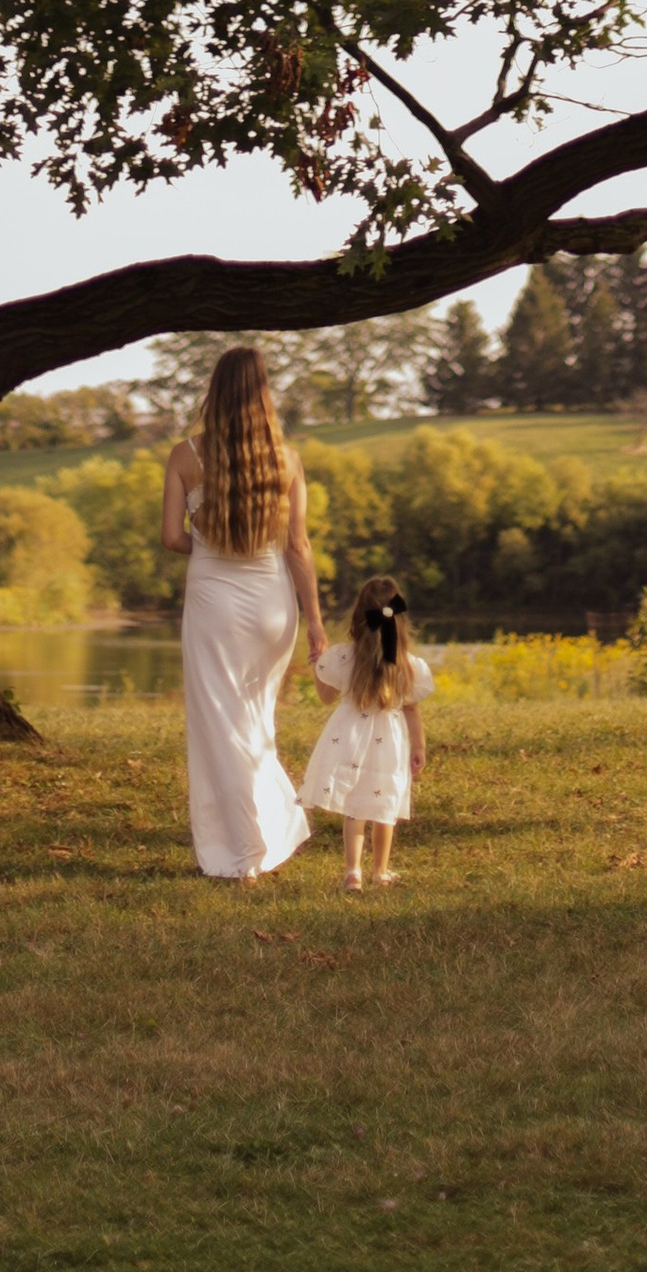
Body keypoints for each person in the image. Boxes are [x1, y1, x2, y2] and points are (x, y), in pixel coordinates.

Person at [162, 345, 321, 882]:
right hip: (272, 605)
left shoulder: (186, 456)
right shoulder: (286, 459)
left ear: (215, 391)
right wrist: (317, 623)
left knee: (220, 724)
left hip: (214, 604)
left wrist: (207, 552)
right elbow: (297, 547)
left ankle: (244, 849)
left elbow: (170, 537)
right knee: (254, 722)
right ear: (263, 392)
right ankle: (263, 835)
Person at [301, 574, 432, 892]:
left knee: (354, 806)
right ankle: (380, 871)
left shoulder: (344, 657)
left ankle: (352, 872)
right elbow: (412, 709)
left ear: (358, 615)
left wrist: (318, 665)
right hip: (389, 740)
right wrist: (419, 747)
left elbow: (326, 696)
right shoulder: (407, 665)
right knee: (384, 805)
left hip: (349, 736)